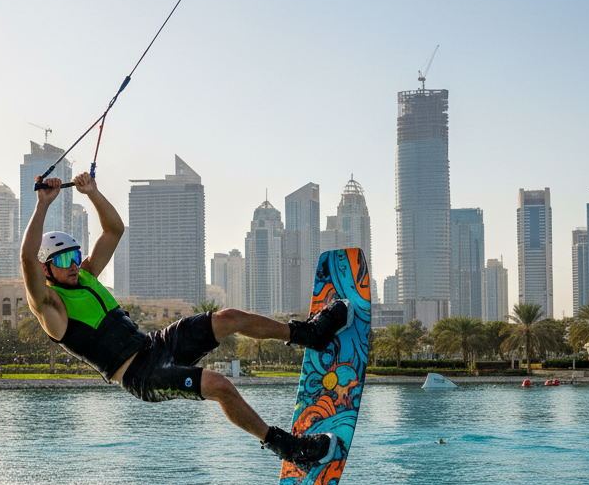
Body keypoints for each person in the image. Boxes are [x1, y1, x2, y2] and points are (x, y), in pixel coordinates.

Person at [20, 174, 349, 469]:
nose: (74, 265)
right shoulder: (52, 309)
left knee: (229, 317)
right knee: (221, 386)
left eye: (75, 256)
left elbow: (114, 230)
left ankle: (309, 334)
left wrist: (92, 192)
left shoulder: (87, 276)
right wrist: (43, 205)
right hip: (142, 374)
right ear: (46, 269)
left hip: (156, 344)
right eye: (63, 260)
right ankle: (288, 447)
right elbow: (26, 258)